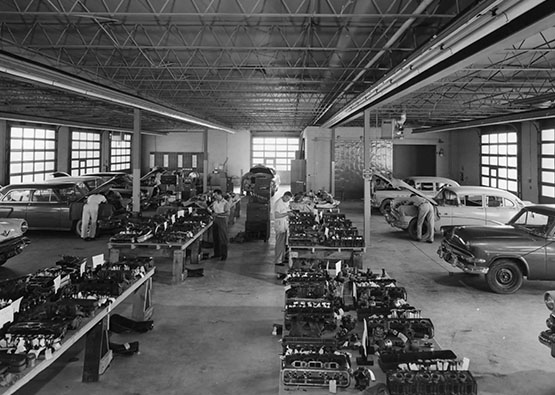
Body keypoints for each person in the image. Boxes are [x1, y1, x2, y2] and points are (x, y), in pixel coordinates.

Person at [209, 189, 230, 261]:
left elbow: (227, 213)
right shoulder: (215, 202)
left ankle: (224, 255)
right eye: (214, 195)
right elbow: (211, 208)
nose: (214, 197)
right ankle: (217, 254)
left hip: (222, 220)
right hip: (215, 220)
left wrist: (217, 214)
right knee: (216, 237)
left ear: (219, 194)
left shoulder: (225, 203)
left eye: (215, 195)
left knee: (223, 238)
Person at [273, 191, 294, 265]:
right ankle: (278, 261)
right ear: (284, 196)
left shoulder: (285, 202)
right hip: (279, 225)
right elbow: (276, 215)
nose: (288, 200)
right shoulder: (278, 203)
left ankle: (282, 258)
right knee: (279, 244)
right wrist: (287, 214)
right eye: (287, 198)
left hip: (284, 224)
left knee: (283, 243)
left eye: (289, 199)